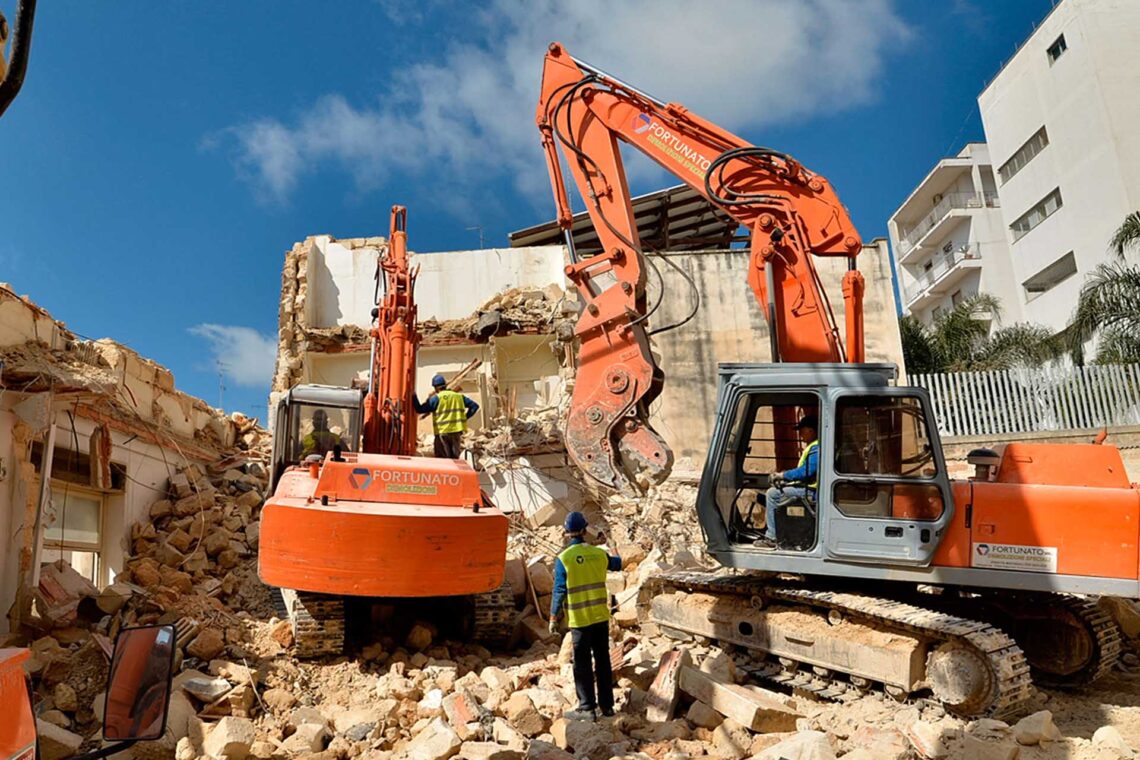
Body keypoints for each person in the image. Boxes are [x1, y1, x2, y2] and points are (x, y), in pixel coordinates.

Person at [549, 511, 622, 721]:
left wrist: (553, 617)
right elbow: (618, 563)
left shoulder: (563, 559)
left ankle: (587, 707)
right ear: (584, 529)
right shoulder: (599, 554)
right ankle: (607, 707)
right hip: (600, 617)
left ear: (566, 532)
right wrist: (612, 544)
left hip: (580, 620)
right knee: (603, 661)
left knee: (581, 664)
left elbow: (559, 590)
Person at [757, 414, 819, 549]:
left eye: (802, 431)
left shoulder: (816, 447)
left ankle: (772, 537)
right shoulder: (815, 446)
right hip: (809, 488)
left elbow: (806, 472)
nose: (801, 435)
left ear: (810, 430)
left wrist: (783, 475)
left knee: (772, 494)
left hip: (812, 491)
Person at [413, 374, 479, 459]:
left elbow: (420, 409)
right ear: (445, 385)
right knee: (455, 458)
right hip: (456, 432)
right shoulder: (458, 397)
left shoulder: (436, 398)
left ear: (436, 388)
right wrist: (465, 418)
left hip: (442, 432)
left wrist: (414, 396)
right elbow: (475, 406)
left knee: (442, 459)